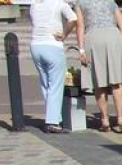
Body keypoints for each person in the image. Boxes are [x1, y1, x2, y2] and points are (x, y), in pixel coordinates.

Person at [74, 0, 122, 133]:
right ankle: (120, 118)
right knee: (117, 82)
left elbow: (80, 26)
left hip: (93, 37)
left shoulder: (80, 3)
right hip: (113, 36)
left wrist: (81, 50)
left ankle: (105, 119)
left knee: (99, 83)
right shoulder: (110, 1)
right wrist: (120, 42)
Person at [28, 0, 77, 134]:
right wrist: (65, 34)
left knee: (46, 84)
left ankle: (55, 117)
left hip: (36, 45)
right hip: (53, 45)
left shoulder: (34, 5)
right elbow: (73, 19)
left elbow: (33, 21)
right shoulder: (59, 4)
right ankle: (52, 122)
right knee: (56, 84)